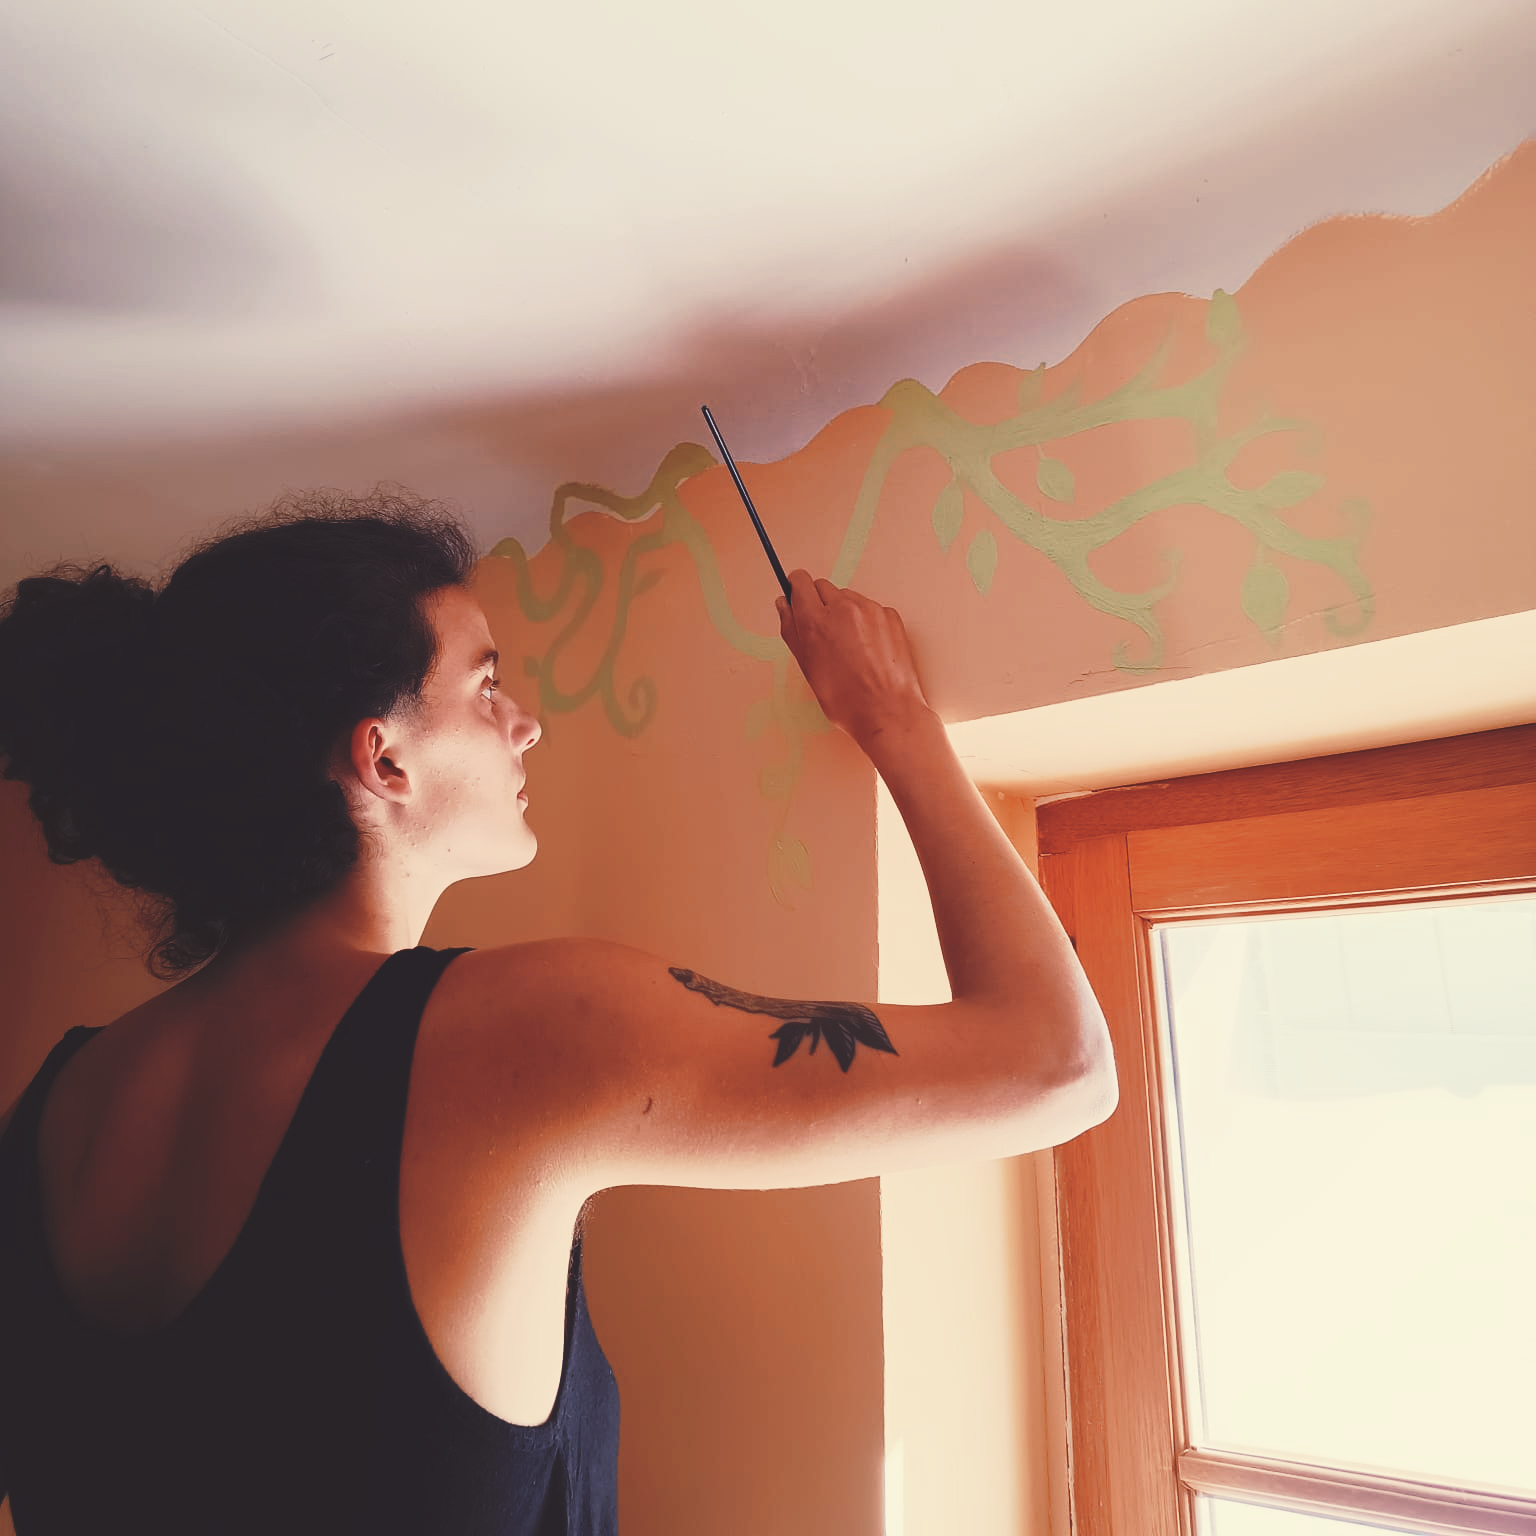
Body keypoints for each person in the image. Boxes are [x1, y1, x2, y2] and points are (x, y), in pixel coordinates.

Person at [0, 492, 1117, 1534]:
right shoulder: (510, 1028)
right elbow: (1056, 1062)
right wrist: (897, 719)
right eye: (485, 688)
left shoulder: (63, 1100)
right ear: (383, 758)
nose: (524, 724)